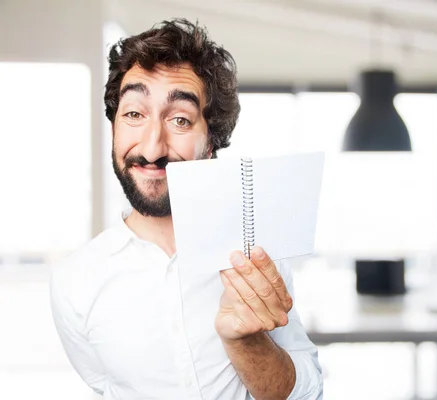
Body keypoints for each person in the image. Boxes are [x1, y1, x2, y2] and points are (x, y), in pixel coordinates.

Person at [50, 18, 323, 400]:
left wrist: (247, 344)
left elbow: (309, 393)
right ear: (113, 124)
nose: (152, 147)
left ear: (211, 142)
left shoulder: (256, 258)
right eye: (134, 114)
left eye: (180, 119)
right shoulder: (75, 282)